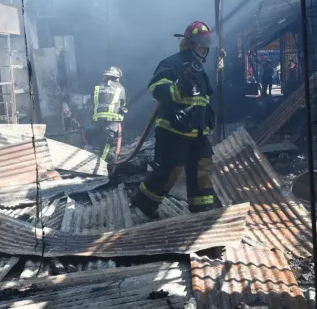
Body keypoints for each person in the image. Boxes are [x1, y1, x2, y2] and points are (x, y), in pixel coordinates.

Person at [131, 21, 220, 219]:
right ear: (189, 43)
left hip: (198, 131)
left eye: (206, 44)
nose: (204, 48)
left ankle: (202, 210)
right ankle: (144, 200)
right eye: (200, 43)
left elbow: (201, 100)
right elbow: (156, 88)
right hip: (174, 130)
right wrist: (177, 87)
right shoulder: (172, 63)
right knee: (172, 170)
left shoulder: (200, 71)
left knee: (202, 169)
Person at [87, 66, 127, 163]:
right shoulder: (120, 88)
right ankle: (104, 163)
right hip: (112, 118)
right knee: (108, 141)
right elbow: (123, 103)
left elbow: (92, 101)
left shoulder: (97, 86)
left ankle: (94, 156)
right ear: (117, 77)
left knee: (99, 138)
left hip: (97, 117)